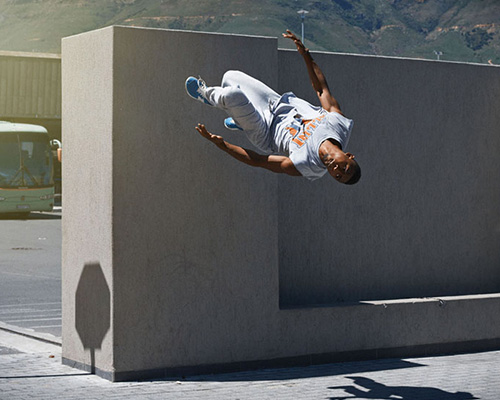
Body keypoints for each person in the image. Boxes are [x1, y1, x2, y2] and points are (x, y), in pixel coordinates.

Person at [185, 30, 361, 184]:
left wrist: (223, 145)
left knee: (231, 95)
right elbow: (321, 90)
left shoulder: (305, 164)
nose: (336, 170)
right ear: (349, 156)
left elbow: (259, 161)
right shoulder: (338, 125)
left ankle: (206, 95)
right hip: (274, 104)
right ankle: (240, 119)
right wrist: (305, 54)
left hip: (265, 132)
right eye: (345, 168)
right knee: (230, 77)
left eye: (337, 176)